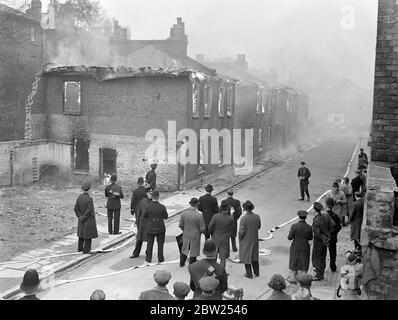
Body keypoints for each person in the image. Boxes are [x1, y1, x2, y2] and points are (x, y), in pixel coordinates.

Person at [287, 210, 313, 284]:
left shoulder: (294, 226)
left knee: (294, 262)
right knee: (304, 263)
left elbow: (289, 237)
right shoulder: (309, 227)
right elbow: (310, 237)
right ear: (306, 217)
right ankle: (303, 280)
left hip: (295, 246)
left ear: (298, 217)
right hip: (305, 246)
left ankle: (292, 279)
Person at [179, 197, 205, 266]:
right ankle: (192, 264)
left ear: (190, 204)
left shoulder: (184, 214)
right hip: (195, 235)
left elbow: (180, 225)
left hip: (186, 234)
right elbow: (202, 228)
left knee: (184, 249)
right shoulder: (199, 215)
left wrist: (184, 230)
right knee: (194, 250)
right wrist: (201, 232)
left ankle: (182, 263)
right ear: (197, 205)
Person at [143, 189, 168, 263]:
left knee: (150, 244)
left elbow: (145, 216)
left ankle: (148, 258)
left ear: (152, 197)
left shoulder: (148, 207)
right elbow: (166, 216)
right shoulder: (162, 207)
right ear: (158, 197)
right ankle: (160, 258)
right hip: (160, 227)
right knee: (160, 244)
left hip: (150, 227)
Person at [239, 200, 261, 279]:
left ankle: (249, 274)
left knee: (246, 256)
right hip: (254, 238)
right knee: (255, 256)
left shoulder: (244, 218)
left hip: (246, 240)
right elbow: (258, 226)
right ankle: (256, 272)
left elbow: (241, 231)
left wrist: (240, 238)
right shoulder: (257, 216)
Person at [208, 200, 234, 268]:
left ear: (221, 208)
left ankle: (213, 271)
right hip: (225, 239)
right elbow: (231, 228)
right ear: (228, 209)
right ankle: (222, 272)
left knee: (213, 256)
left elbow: (210, 227)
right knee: (223, 257)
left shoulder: (215, 216)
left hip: (215, 238)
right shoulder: (230, 218)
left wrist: (212, 234)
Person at [74, 181, 98, 254]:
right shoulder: (89, 199)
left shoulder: (79, 197)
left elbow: (76, 209)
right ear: (89, 190)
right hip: (88, 219)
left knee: (81, 234)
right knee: (88, 235)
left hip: (81, 219)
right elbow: (89, 210)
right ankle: (87, 250)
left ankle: (80, 249)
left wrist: (80, 217)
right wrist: (84, 217)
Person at [311, 202, 333, 281]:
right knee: (323, 257)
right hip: (325, 240)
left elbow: (317, 234)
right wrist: (327, 235)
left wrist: (322, 236)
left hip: (319, 242)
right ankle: (321, 272)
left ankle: (319, 274)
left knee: (317, 257)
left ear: (314, 210)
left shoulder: (317, 220)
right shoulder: (326, 216)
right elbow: (332, 226)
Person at [130, 187, 152, 258]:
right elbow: (139, 211)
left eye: (152, 193)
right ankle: (136, 253)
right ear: (147, 193)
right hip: (142, 223)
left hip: (150, 223)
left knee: (150, 239)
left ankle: (148, 253)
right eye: (149, 193)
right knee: (139, 238)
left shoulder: (155, 202)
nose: (150, 195)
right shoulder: (143, 201)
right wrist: (137, 221)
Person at [325, 197, 341, 272]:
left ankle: (321, 268)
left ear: (326, 205)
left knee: (322, 253)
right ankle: (333, 266)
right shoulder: (335, 216)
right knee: (333, 253)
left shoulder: (323, 216)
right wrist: (333, 233)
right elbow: (339, 227)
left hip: (324, 237)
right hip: (332, 238)